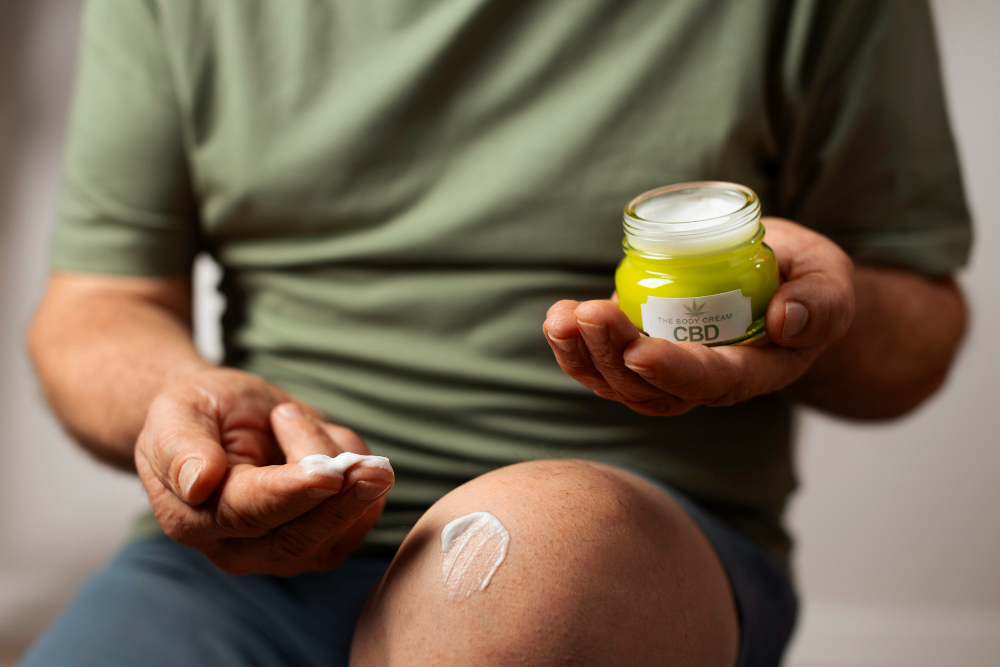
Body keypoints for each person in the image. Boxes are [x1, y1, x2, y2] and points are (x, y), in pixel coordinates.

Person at [20, 1, 969, 665]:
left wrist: (824, 316)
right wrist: (186, 416)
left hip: (624, 555)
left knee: (520, 568)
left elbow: (918, 320)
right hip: (242, 561)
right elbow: (98, 305)